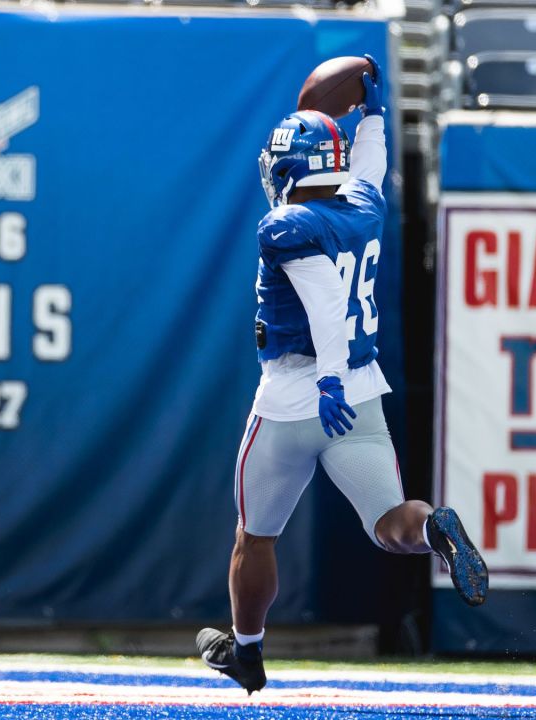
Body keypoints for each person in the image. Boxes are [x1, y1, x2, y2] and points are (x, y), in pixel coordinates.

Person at [194, 57, 488, 695]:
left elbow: (325, 302)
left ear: (288, 168)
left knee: (255, 534)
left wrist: (325, 382)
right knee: (390, 522)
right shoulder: (363, 202)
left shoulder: (288, 224)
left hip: (301, 395)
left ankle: (246, 652)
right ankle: (433, 527)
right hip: (364, 392)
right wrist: (374, 117)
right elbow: (371, 166)